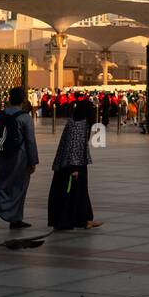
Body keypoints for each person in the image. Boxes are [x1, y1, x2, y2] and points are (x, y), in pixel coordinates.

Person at [0, 87, 40, 230]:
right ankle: (13, 217)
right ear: (23, 100)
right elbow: (30, 141)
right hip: (19, 158)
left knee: (2, 184)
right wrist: (33, 161)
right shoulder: (25, 117)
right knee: (19, 187)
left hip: (2, 155)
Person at [47, 99, 101, 231]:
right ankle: (78, 220)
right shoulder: (81, 124)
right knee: (75, 193)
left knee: (77, 192)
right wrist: (75, 168)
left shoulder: (72, 121)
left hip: (65, 163)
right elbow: (75, 146)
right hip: (74, 165)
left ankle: (85, 219)